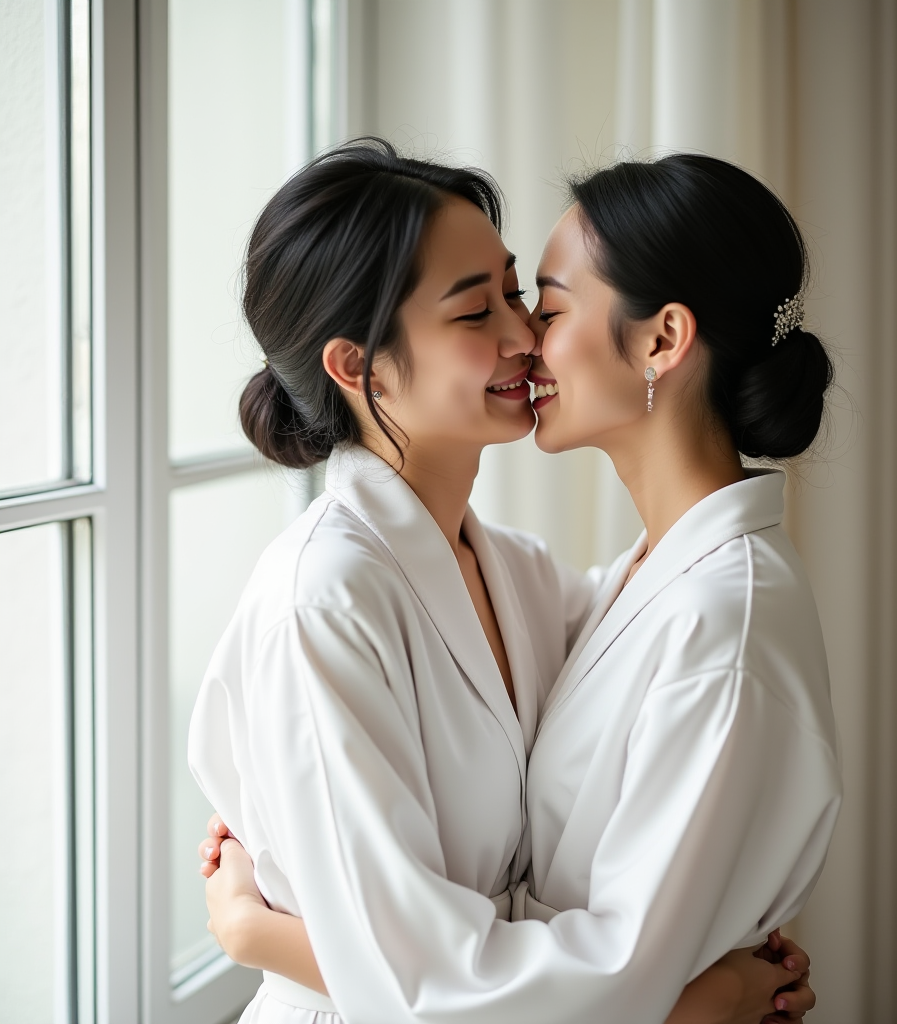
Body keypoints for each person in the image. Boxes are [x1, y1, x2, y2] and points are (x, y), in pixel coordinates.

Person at [190, 140, 825, 1024]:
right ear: (358, 367)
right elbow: (416, 976)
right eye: (474, 310)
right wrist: (703, 996)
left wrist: (261, 932)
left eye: (524, 295)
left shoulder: (524, 578)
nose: (525, 336)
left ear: (664, 341)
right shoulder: (324, 598)